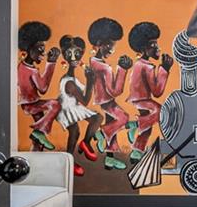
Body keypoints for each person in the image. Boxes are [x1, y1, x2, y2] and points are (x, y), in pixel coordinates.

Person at [86, 18, 136, 171]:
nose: (112, 50)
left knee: (113, 127)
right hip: (107, 100)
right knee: (123, 118)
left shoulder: (93, 61)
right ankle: (102, 133)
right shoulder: (104, 68)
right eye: (110, 45)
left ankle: (109, 159)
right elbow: (116, 91)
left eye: (113, 45)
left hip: (102, 99)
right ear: (99, 43)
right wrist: (122, 69)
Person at [127, 21, 173, 164]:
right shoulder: (147, 67)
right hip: (142, 100)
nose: (157, 48)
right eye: (153, 45)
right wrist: (164, 69)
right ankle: (136, 125)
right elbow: (157, 91)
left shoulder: (139, 64)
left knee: (147, 129)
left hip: (139, 99)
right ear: (143, 49)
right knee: (161, 111)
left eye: (156, 44)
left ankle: (136, 152)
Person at [55, 35, 99, 177]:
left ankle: (81, 148)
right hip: (67, 109)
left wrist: (90, 81)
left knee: (90, 122)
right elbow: (85, 100)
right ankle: (77, 152)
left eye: (77, 53)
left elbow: (85, 95)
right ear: (64, 55)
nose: (73, 57)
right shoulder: (69, 83)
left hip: (72, 106)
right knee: (77, 130)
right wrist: (90, 81)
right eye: (69, 54)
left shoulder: (72, 79)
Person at [17, 21, 61, 151]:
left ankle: (36, 148)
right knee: (55, 104)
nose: (44, 51)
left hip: (30, 103)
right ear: (30, 49)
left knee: (39, 142)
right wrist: (51, 63)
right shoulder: (31, 70)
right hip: (30, 104)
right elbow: (43, 88)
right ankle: (38, 132)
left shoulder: (22, 66)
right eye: (40, 47)